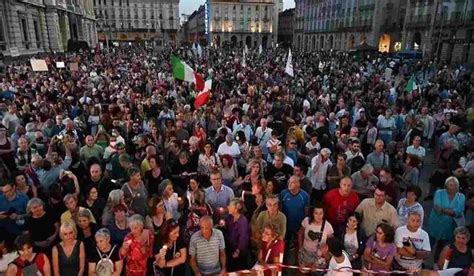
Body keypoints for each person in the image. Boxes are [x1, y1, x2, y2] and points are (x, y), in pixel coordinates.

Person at [427, 176, 466, 261]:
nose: (453, 187)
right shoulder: (439, 193)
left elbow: (458, 211)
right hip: (435, 223)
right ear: (446, 185)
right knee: (428, 244)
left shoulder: (461, 196)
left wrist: (444, 210)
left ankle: (436, 264)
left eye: (455, 185)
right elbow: (437, 209)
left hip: (449, 226)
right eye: (450, 185)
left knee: (443, 247)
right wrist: (451, 211)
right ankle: (421, 262)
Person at [297, 202, 334, 270]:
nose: (318, 216)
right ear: (312, 213)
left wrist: (325, 253)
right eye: (316, 213)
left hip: (319, 256)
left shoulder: (328, 226)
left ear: (324, 214)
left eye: (321, 213)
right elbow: (300, 233)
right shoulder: (306, 221)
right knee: (303, 272)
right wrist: (300, 247)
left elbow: (331, 243)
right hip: (306, 252)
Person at [279, 175, 309, 252]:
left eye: (292, 182)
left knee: (298, 244)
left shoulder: (304, 195)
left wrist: (304, 225)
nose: (289, 184)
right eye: (289, 182)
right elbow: (280, 208)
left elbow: (306, 210)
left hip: (298, 224)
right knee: (285, 243)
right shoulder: (283, 193)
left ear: (298, 184)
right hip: (286, 223)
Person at [223, 199, 249, 272]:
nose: (228, 207)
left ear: (237, 208)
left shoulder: (242, 221)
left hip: (239, 252)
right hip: (230, 248)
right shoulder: (230, 217)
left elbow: (243, 237)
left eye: (230, 206)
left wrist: (238, 250)